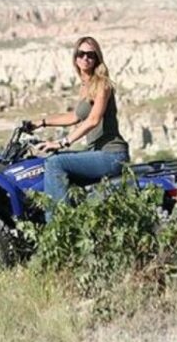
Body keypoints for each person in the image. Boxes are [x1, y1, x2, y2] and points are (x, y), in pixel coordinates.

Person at [32, 36, 130, 221]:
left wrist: (62, 142)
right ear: (75, 57)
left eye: (90, 55)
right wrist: (40, 122)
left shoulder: (102, 84)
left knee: (55, 163)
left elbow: (93, 120)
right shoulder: (86, 86)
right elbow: (74, 117)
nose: (86, 58)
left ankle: (59, 226)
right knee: (48, 162)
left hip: (112, 155)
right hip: (96, 152)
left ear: (97, 58)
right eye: (81, 53)